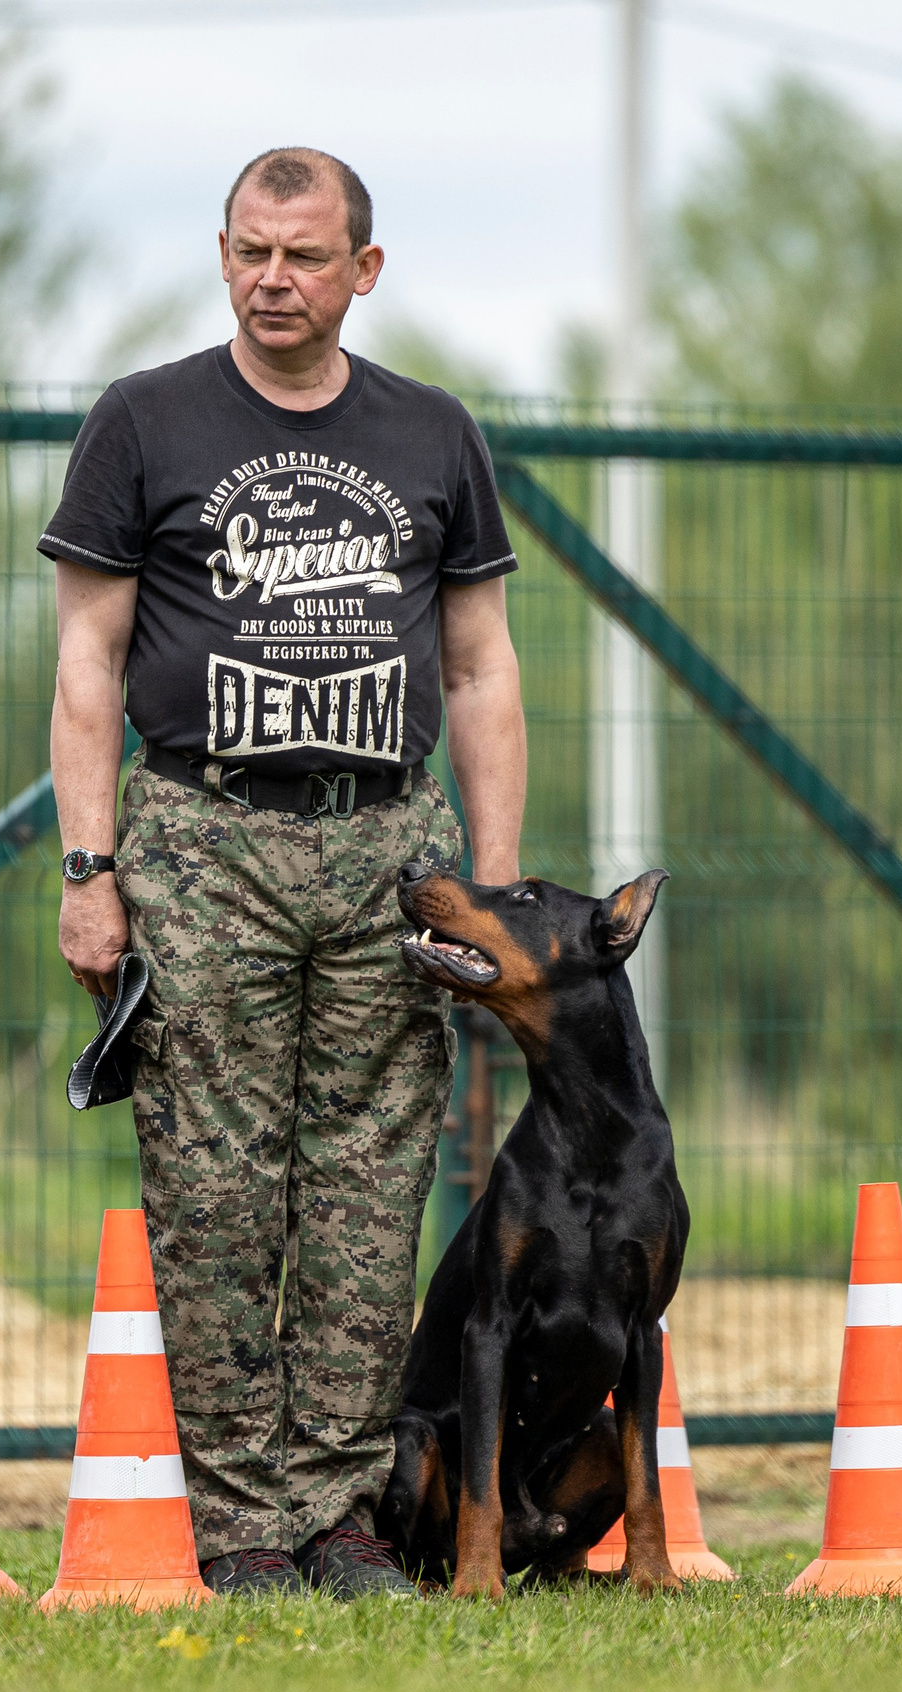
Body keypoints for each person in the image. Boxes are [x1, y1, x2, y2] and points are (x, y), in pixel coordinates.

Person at [44, 147, 528, 1599]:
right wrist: (90, 866)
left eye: (305, 256)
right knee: (213, 1191)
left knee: (374, 1188)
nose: (273, 278)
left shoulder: (434, 433)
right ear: (221, 252)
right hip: (201, 840)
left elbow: (485, 669)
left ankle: (340, 1513)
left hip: (392, 845)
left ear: (361, 272)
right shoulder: (145, 421)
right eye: (252, 250)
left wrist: (492, 894)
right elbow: (87, 660)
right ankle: (240, 1520)